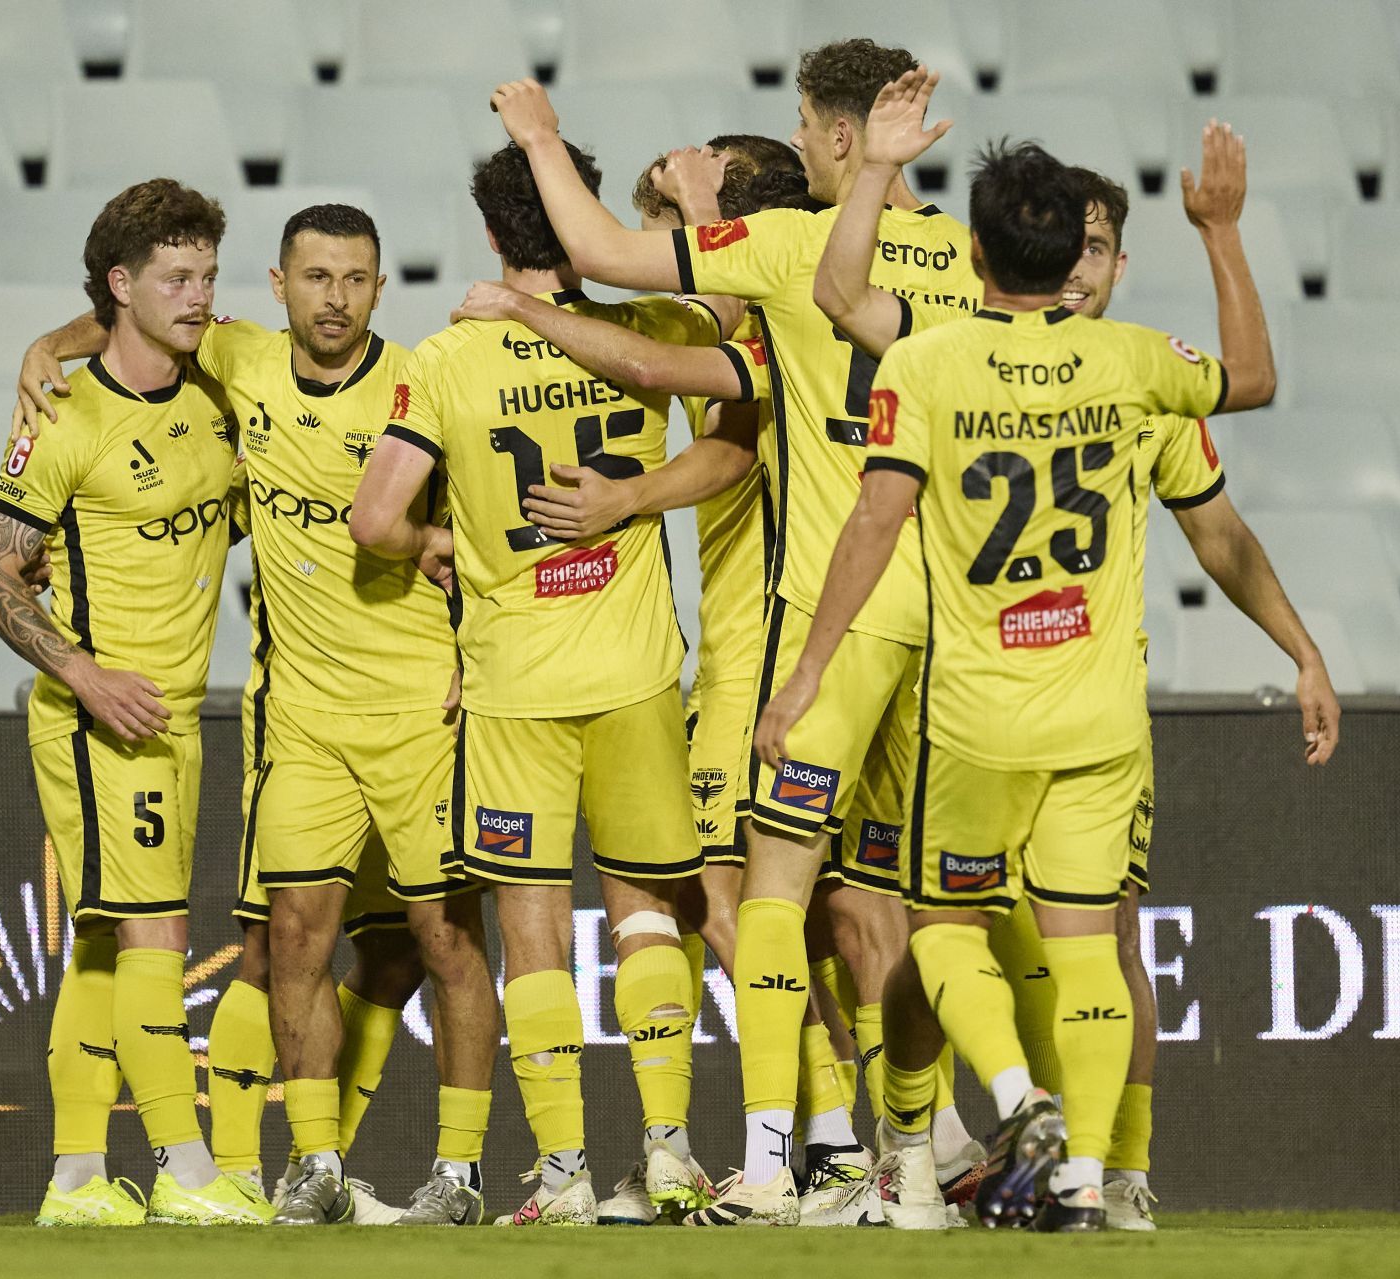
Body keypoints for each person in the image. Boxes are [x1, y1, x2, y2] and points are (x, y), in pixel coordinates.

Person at [755, 123, 1327, 1231]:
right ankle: (1078, 1174)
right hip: (1101, 714)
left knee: (943, 929)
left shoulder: (927, 362)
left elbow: (874, 521)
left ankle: (1022, 1108)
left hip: (976, 716)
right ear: (1081, 257)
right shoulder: (1134, 366)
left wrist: (806, 672)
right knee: (1090, 951)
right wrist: (1222, 232)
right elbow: (1250, 380)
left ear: (973, 256)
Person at [481, 40, 982, 1228]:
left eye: (813, 125)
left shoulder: (801, 255)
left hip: (803, 624)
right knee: (884, 903)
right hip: (949, 624)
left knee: (748, 890)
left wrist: (545, 140)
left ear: (847, 137)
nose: (806, 144)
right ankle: (927, 1143)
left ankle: (805, 1148)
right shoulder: (967, 266)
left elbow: (648, 316)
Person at [12, 204, 500, 1227]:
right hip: (298, 720)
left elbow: (482, 535)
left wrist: (475, 650)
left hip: (419, 713)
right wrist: (44, 347)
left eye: (355, 277)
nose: (335, 295)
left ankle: (455, 1172)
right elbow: (130, 317)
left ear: (378, 285)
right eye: (315, 276)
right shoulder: (241, 361)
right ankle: (288, 1165)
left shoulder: (424, 381)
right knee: (283, 938)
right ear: (279, 289)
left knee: (441, 942)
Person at [349, 139, 731, 1228]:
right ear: (579, 217)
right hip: (637, 671)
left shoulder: (449, 358)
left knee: (532, 931)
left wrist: (442, 543)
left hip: (514, 683)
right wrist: (635, 497)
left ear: (486, 235)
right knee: (649, 913)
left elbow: (375, 520)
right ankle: (668, 1150)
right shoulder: (650, 333)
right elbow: (736, 438)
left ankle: (561, 1169)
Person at [0, 178, 268, 1227]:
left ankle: (77, 1180)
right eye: (176, 277)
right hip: (104, 717)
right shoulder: (62, 415)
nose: (198, 296)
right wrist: (86, 675)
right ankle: (188, 1174)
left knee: (105, 945)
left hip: (175, 712)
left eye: (208, 275)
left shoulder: (218, 394)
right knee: (153, 935)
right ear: (121, 286)